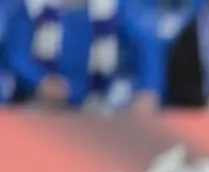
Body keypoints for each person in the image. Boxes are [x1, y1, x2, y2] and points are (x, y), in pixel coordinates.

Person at [6, 0, 161, 112]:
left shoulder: (114, 6)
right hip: (43, 106)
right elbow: (17, 55)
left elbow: (145, 47)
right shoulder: (32, 6)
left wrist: (148, 89)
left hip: (101, 105)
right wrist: (40, 81)